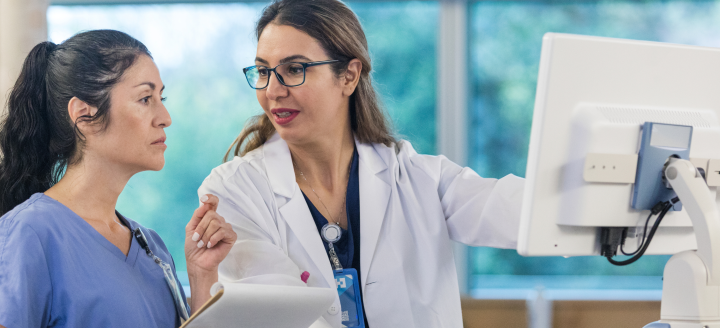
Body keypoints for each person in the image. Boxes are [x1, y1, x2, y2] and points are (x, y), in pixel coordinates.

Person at [198, 0, 524, 327]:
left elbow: (523, 212)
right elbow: (279, 315)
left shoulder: (417, 178)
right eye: (264, 71)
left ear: (349, 76)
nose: (272, 90)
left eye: (294, 70)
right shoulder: (233, 191)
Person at [0, 30, 236, 328]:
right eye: (145, 98)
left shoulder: (153, 246)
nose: (165, 116)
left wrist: (202, 275)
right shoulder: (30, 233)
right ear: (84, 115)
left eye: (161, 97)